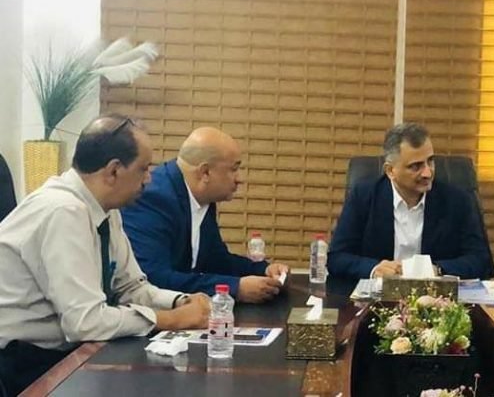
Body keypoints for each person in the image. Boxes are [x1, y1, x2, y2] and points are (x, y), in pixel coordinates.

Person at [0, 115, 210, 396]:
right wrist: (171, 320)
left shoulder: (105, 210)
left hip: (62, 355)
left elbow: (130, 288)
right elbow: (85, 323)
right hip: (18, 366)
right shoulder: (62, 211)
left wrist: (179, 301)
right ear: (113, 171)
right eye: (143, 169)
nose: (149, 179)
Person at [122, 127, 288, 303]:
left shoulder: (203, 198)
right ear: (205, 172)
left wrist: (263, 270)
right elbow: (154, 278)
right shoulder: (153, 198)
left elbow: (216, 260)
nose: (239, 179)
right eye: (234, 169)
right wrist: (234, 288)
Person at [328, 122, 494, 279]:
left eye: (430, 161)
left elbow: (482, 261)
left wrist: (437, 270)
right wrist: (374, 268)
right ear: (390, 171)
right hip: (380, 295)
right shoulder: (364, 196)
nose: (427, 173)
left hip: (436, 297)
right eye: (416, 166)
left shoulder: (457, 200)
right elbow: (337, 258)